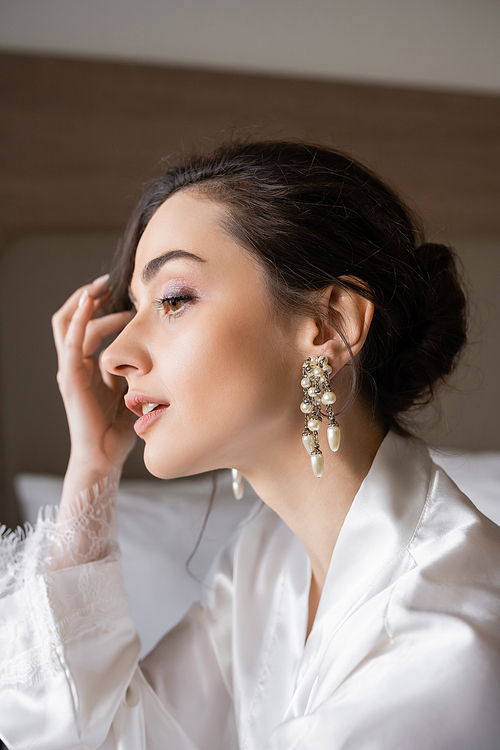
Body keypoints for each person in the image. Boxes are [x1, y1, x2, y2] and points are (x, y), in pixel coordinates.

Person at [1, 140, 500, 750]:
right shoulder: (267, 562)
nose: (117, 354)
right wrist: (93, 461)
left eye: (174, 299)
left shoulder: (447, 641)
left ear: (330, 325)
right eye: (134, 308)